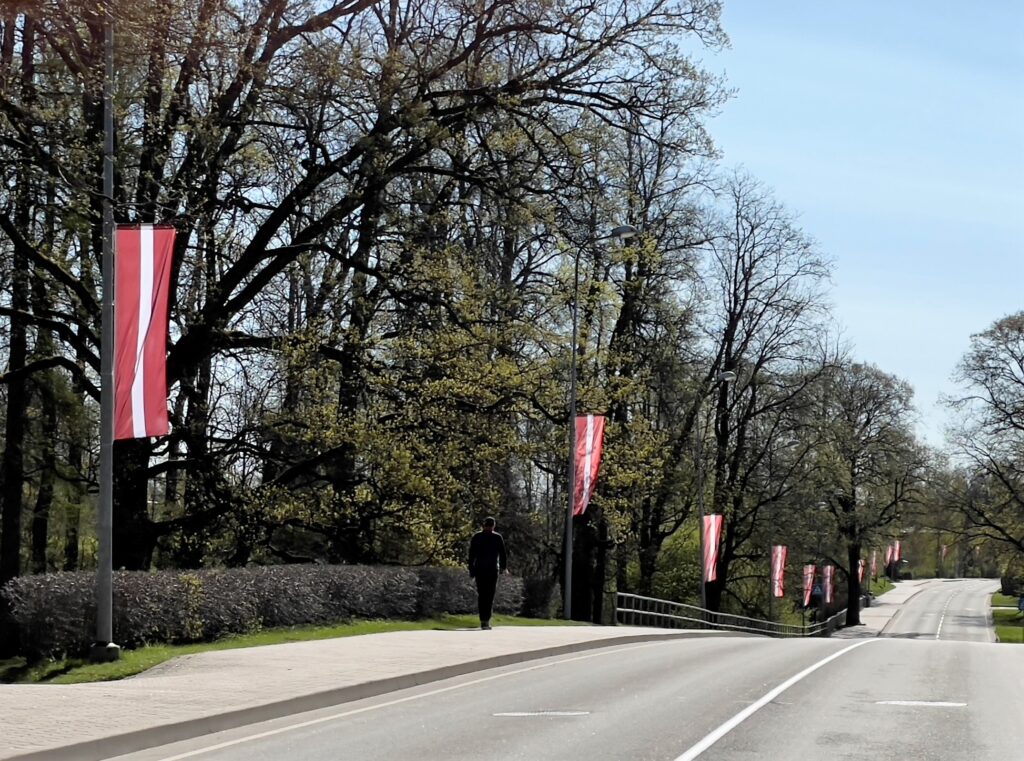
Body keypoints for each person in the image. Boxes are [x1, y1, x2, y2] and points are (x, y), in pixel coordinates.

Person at [467, 516, 507, 630]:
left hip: (484, 569)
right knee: (487, 595)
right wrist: (503, 567)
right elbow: (502, 553)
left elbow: (471, 555)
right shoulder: (495, 537)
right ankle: (485, 620)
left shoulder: (479, 537)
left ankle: (484, 620)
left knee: (485, 595)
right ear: (493, 526)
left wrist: (471, 569)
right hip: (488, 569)